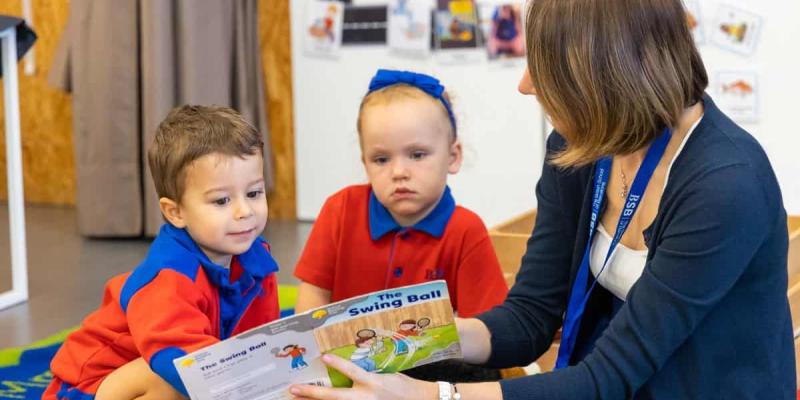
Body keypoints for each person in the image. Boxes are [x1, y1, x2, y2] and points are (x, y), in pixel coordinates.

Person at [289, 0, 795, 399]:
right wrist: (398, 339)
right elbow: (530, 318)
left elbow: (606, 379)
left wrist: (430, 395)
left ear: (604, 74)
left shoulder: (725, 184)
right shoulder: (579, 148)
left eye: (544, 65)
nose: (526, 84)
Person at [43, 105, 280, 400]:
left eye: (254, 193)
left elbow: (261, 343)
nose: (244, 211)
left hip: (195, 373)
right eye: (221, 201)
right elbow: (179, 361)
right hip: (87, 388)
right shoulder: (169, 278)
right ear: (175, 212)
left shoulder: (257, 261)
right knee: (174, 377)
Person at [293, 69, 508, 319]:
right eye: (381, 159)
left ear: (453, 156)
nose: (398, 172)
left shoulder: (466, 231)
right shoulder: (340, 210)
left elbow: (486, 327)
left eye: (417, 155)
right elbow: (312, 297)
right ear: (365, 164)